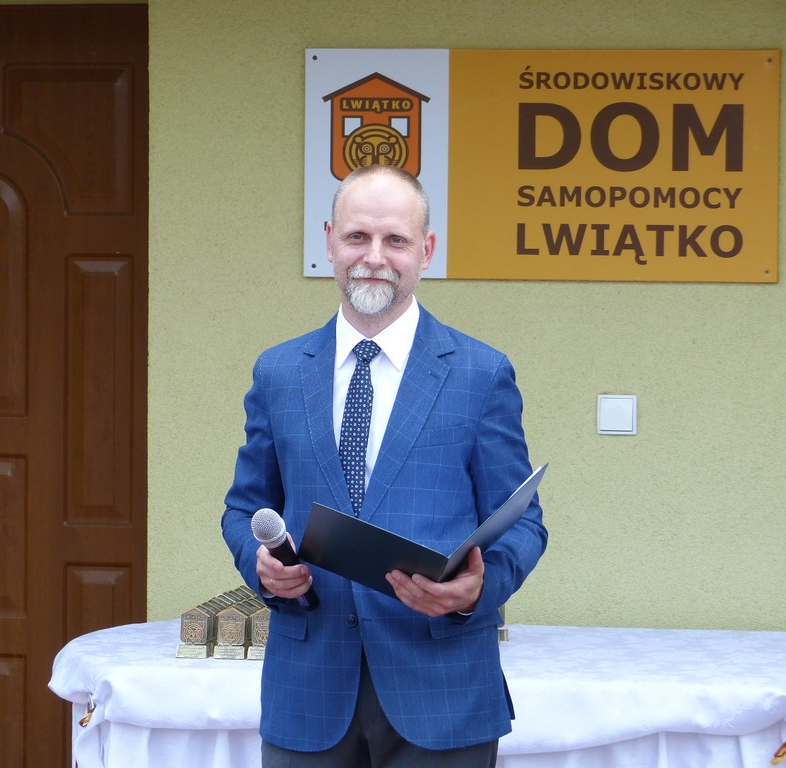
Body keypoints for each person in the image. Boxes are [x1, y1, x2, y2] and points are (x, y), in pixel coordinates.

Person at [220, 164, 547, 767]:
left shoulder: (480, 374)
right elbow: (245, 508)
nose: (374, 257)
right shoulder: (279, 372)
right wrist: (260, 565)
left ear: (426, 250)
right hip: (308, 692)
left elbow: (523, 522)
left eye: (395, 239)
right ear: (329, 242)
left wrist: (479, 589)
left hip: (443, 691)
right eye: (357, 237)